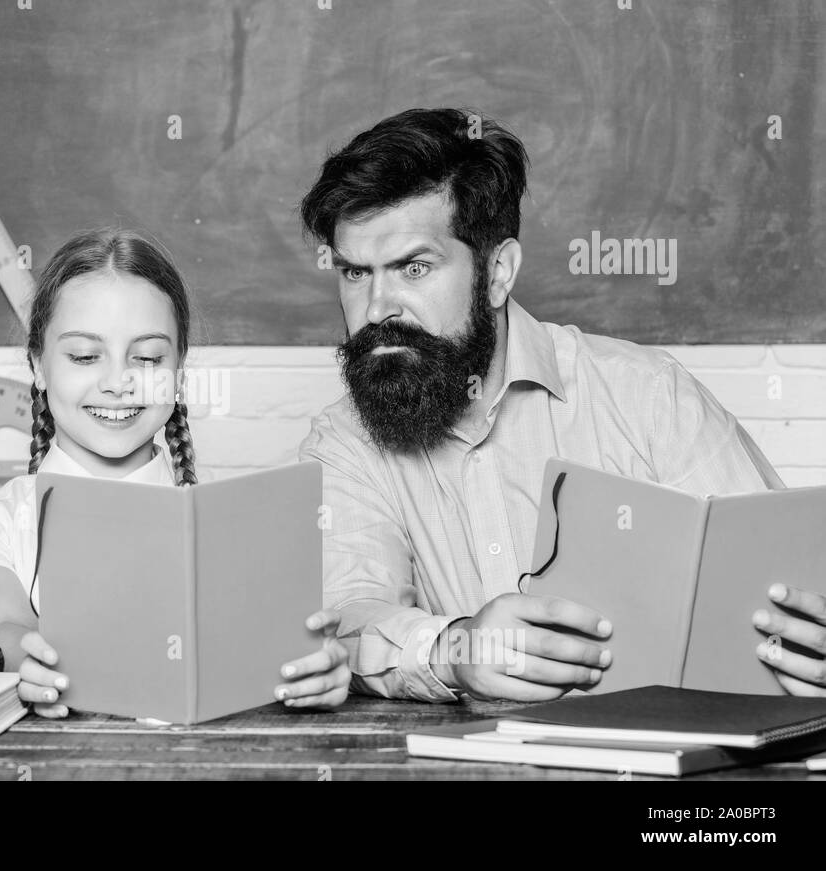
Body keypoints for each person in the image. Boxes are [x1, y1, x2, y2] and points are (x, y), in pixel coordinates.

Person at [296, 107, 813, 702]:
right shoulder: (342, 442)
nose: (378, 307)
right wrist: (456, 650)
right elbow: (347, 618)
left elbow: (779, 585)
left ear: (497, 272)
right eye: (355, 273)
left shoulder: (649, 397)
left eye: (414, 267)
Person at [0, 228, 350, 717]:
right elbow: (3, 629)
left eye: (149, 357)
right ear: (39, 365)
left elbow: (279, 651)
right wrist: (35, 662)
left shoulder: (238, 517)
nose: (117, 383)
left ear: (178, 371)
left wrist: (313, 671)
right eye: (85, 356)